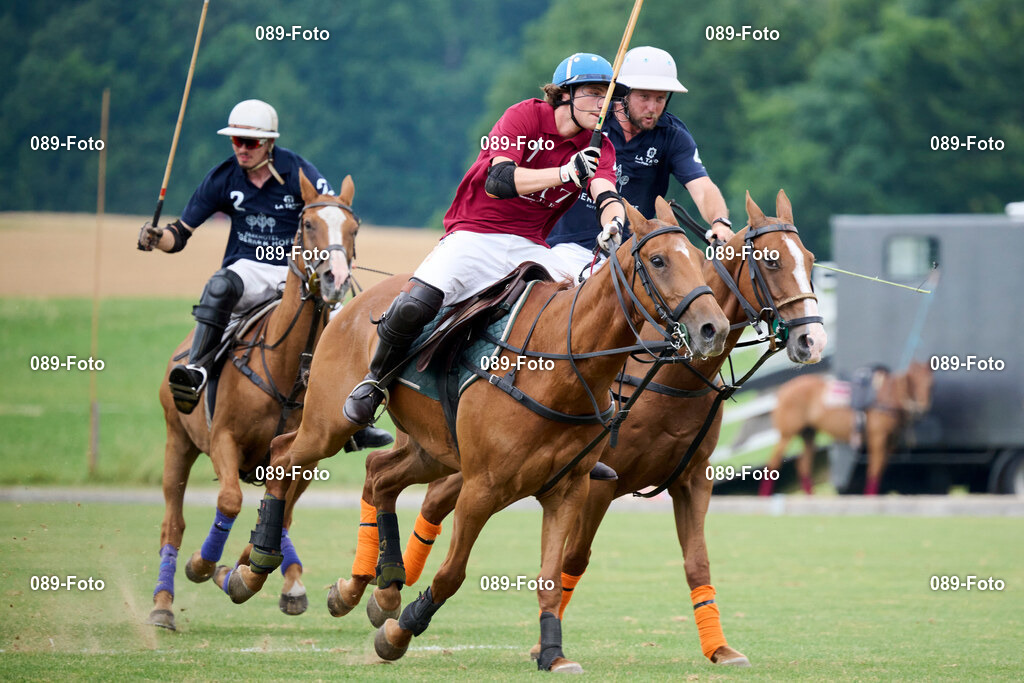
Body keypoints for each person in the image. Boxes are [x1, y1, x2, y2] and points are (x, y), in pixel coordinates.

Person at [343, 53, 629, 432]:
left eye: (609, 96)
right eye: (595, 93)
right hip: (475, 233)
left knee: (588, 311)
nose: (604, 104)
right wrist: (563, 172)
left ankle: (581, 424)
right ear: (565, 94)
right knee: (414, 304)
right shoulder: (524, 116)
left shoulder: (601, 147)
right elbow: (499, 181)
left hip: (531, 245)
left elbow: (606, 194)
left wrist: (614, 225)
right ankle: (374, 382)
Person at [138, 99, 393, 450]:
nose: (242, 149)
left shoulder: (296, 170)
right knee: (219, 285)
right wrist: (157, 238)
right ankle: (196, 369)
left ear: (269, 143)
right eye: (236, 141)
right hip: (247, 268)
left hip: (295, 273)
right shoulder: (223, 177)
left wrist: (335, 258)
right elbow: (179, 233)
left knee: (342, 325)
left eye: (251, 142)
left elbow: (331, 209)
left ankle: (354, 420)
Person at [548, 46, 734, 279]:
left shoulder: (673, 135)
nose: (652, 108)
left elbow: (702, 187)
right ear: (622, 94)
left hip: (634, 256)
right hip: (568, 247)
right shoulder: (592, 121)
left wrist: (719, 222)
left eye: (660, 98)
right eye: (644, 97)